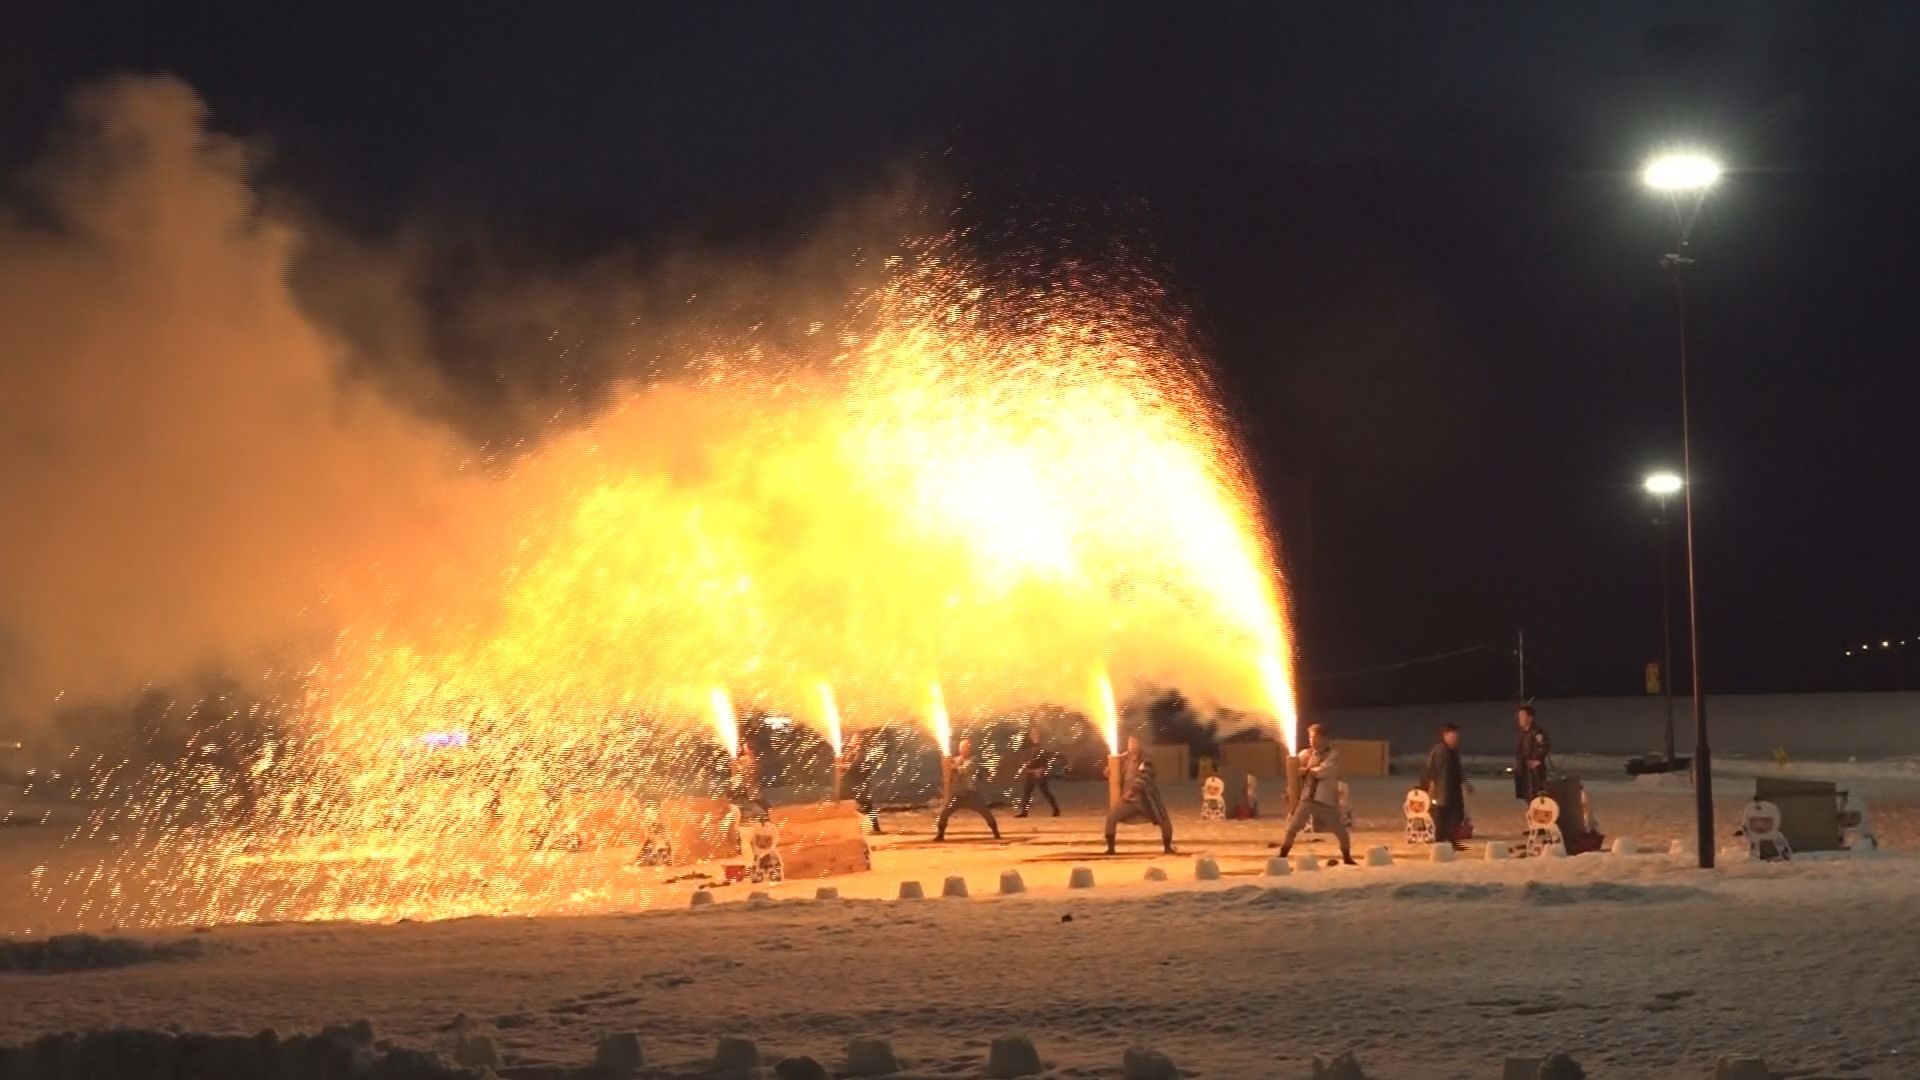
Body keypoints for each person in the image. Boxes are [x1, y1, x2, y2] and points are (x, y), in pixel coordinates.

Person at [1276, 724, 1356, 864]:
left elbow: (1324, 771)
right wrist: (1291, 791)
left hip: (1324, 800)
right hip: (1307, 799)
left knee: (1340, 831)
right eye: (1310, 737)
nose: (1312, 741)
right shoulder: (1307, 754)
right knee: (1293, 827)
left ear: (1325, 738)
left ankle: (1347, 857)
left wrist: (1306, 770)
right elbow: (1296, 774)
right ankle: (1282, 855)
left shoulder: (1332, 755)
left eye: (1316, 737)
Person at [1104, 737, 1175, 854]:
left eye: (1134, 742)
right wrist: (1109, 771)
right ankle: (1111, 848)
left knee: (1164, 820)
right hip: (1129, 802)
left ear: (1140, 744)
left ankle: (1168, 847)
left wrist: (1131, 791)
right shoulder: (1124, 759)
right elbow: (1114, 771)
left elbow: (1143, 778)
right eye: (1129, 742)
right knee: (1111, 818)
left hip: (1146, 800)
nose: (1131, 745)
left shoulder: (1146, 761)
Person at [934, 738, 1001, 841]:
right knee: (944, 814)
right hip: (957, 795)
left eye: (966, 748)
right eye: (961, 748)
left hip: (970, 794)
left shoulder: (973, 760)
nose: (963, 750)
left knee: (985, 813)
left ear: (969, 749)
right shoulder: (956, 760)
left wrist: (952, 766)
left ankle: (996, 833)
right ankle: (940, 835)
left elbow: (964, 770)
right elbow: (948, 773)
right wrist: (945, 762)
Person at [1422, 723, 1471, 849]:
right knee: (1441, 815)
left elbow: (1459, 769)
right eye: (1453, 735)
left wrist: (1465, 783)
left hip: (1454, 788)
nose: (1456, 738)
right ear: (1445, 736)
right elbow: (1432, 771)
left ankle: (1451, 840)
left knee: (1457, 814)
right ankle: (1440, 841)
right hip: (1442, 789)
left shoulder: (1454, 751)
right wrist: (1432, 789)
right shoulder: (1439, 751)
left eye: (1457, 736)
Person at [840, 730, 883, 834]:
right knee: (856, 805)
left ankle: (874, 827)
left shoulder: (862, 752)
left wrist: (842, 767)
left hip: (859, 784)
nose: (851, 740)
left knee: (867, 805)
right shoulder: (851, 752)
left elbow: (856, 765)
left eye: (854, 738)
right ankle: (856, 826)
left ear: (859, 741)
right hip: (851, 783)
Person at [1014, 732, 1060, 818]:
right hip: (1031, 773)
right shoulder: (1029, 750)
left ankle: (1056, 809)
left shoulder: (1042, 751)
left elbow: (1044, 764)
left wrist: (1039, 771)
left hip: (1039, 774)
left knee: (1045, 792)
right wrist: (1029, 769)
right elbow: (1025, 762)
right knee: (1027, 793)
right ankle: (1024, 812)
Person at [1514, 705, 1550, 802]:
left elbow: (1544, 745)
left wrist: (1537, 759)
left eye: (1522, 716)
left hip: (1534, 771)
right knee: (1527, 795)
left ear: (1530, 718)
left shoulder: (1537, 732)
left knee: (1536, 795)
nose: (1520, 719)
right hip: (1523, 769)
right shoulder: (1522, 733)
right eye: (1519, 716)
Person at [729, 743, 771, 820]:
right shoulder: (745, 762)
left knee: (759, 811)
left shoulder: (753, 764)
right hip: (744, 798)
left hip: (752, 798)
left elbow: (750, 773)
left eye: (748, 748)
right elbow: (736, 777)